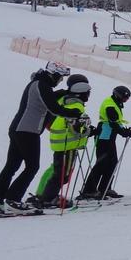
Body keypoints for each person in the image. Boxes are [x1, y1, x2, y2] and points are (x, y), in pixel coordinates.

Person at [0, 61, 79, 214]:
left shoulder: (38, 84)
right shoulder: (41, 85)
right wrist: (74, 113)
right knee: (32, 166)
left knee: (12, 166)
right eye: (59, 78)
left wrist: (63, 93)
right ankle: (13, 199)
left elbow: (48, 98)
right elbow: (53, 107)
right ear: (53, 75)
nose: (59, 81)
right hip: (27, 131)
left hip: (19, 129)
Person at [30, 75, 93, 209]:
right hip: (67, 142)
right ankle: (48, 197)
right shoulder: (75, 104)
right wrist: (87, 130)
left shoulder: (63, 99)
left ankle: (43, 195)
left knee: (58, 170)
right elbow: (74, 126)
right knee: (62, 174)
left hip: (59, 140)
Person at [79, 85, 131, 200]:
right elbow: (113, 123)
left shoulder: (114, 103)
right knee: (101, 164)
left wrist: (125, 130)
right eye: (124, 98)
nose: (125, 100)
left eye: (127, 99)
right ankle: (88, 190)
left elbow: (116, 122)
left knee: (112, 163)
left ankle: (105, 188)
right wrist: (124, 133)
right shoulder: (110, 105)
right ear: (117, 95)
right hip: (104, 137)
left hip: (109, 137)